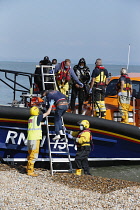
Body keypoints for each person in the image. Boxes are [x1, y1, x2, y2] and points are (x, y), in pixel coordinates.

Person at [27, 102, 54, 176]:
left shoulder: (31, 118)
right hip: (35, 139)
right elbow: (47, 113)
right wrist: (51, 106)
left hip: (30, 138)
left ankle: (28, 168)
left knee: (30, 154)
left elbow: (36, 124)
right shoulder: (38, 117)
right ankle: (30, 171)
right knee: (34, 155)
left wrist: (43, 123)